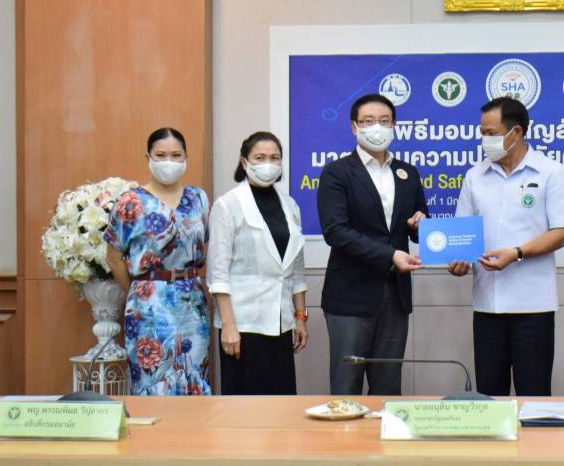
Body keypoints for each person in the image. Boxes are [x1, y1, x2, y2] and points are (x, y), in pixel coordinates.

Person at [447, 97, 564, 396]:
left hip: (533, 306)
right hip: (487, 305)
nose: (485, 140)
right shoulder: (475, 176)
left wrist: (516, 253)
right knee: (490, 395)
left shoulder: (551, 172)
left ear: (516, 132)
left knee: (534, 393)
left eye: (491, 133)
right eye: (482, 133)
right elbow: (461, 235)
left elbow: (563, 233)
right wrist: (458, 261)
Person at [317, 94, 428, 395]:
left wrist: (420, 223)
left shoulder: (407, 173)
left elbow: (420, 228)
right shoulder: (337, 172)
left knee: (388, 388)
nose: (376, 127)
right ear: (354, 127)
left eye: (384, 121)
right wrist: (390, 255)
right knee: (346, 388)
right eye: (368, 121)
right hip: (350, 295)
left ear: (394, 126)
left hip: (395, 295)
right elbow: (336, 232)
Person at [105, 127, 211, 395]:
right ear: (148, 158)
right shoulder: (130, 202)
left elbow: (206, 244)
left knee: (194, 377)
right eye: (161, 155)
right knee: (152, 381)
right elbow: (114, 257)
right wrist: (138, 290)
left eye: (176, 155)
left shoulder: (198, 198)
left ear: (186, 158)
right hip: (148, 305)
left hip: (192, 304)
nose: (169, 161)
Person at [207, 132, 308, 395]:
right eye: (259, 158)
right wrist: (228, 326)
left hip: (281, 321)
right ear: (244, 162)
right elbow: (218, 273)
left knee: (281, 404)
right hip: (243, 325)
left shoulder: (290, 205)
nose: (268, 164)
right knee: (245, 407)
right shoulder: (228, 205)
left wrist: (300, 317)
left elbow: (296, 269)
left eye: (274, 158)